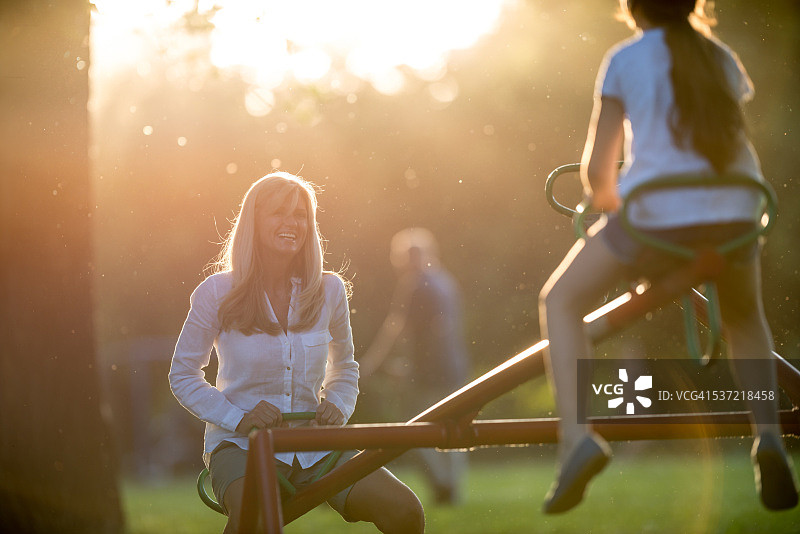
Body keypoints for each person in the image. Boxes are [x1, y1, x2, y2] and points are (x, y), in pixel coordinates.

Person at [538, 0, 799, 514]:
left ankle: (577, 440)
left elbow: (598, 175)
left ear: (633, 7)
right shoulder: (719, 56)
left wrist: (604, 203)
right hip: (737, 213)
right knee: (745, 319)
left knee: (561, 301)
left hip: (658, 217)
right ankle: (768, 436)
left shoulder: (624, 59)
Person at [169, 172, 424, 533]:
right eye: (279, 213)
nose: (292, 223)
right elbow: (182, 375)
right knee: (257, 521)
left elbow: (344, 366)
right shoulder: (216, 292)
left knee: (405, 510)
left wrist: (338, 404)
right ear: (254, 221)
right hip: (241, 445)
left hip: (315, 446)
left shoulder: (329, 290)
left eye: (300, 215)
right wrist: (239, 418)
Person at [360, 228, 470, 505]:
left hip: (427, 373)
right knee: (452, 427)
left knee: (412, 428)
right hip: (454, 367)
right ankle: (452, 488)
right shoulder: (446, 281)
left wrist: (371, 365)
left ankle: (442, 484)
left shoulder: (415, 285)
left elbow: (397, 329)